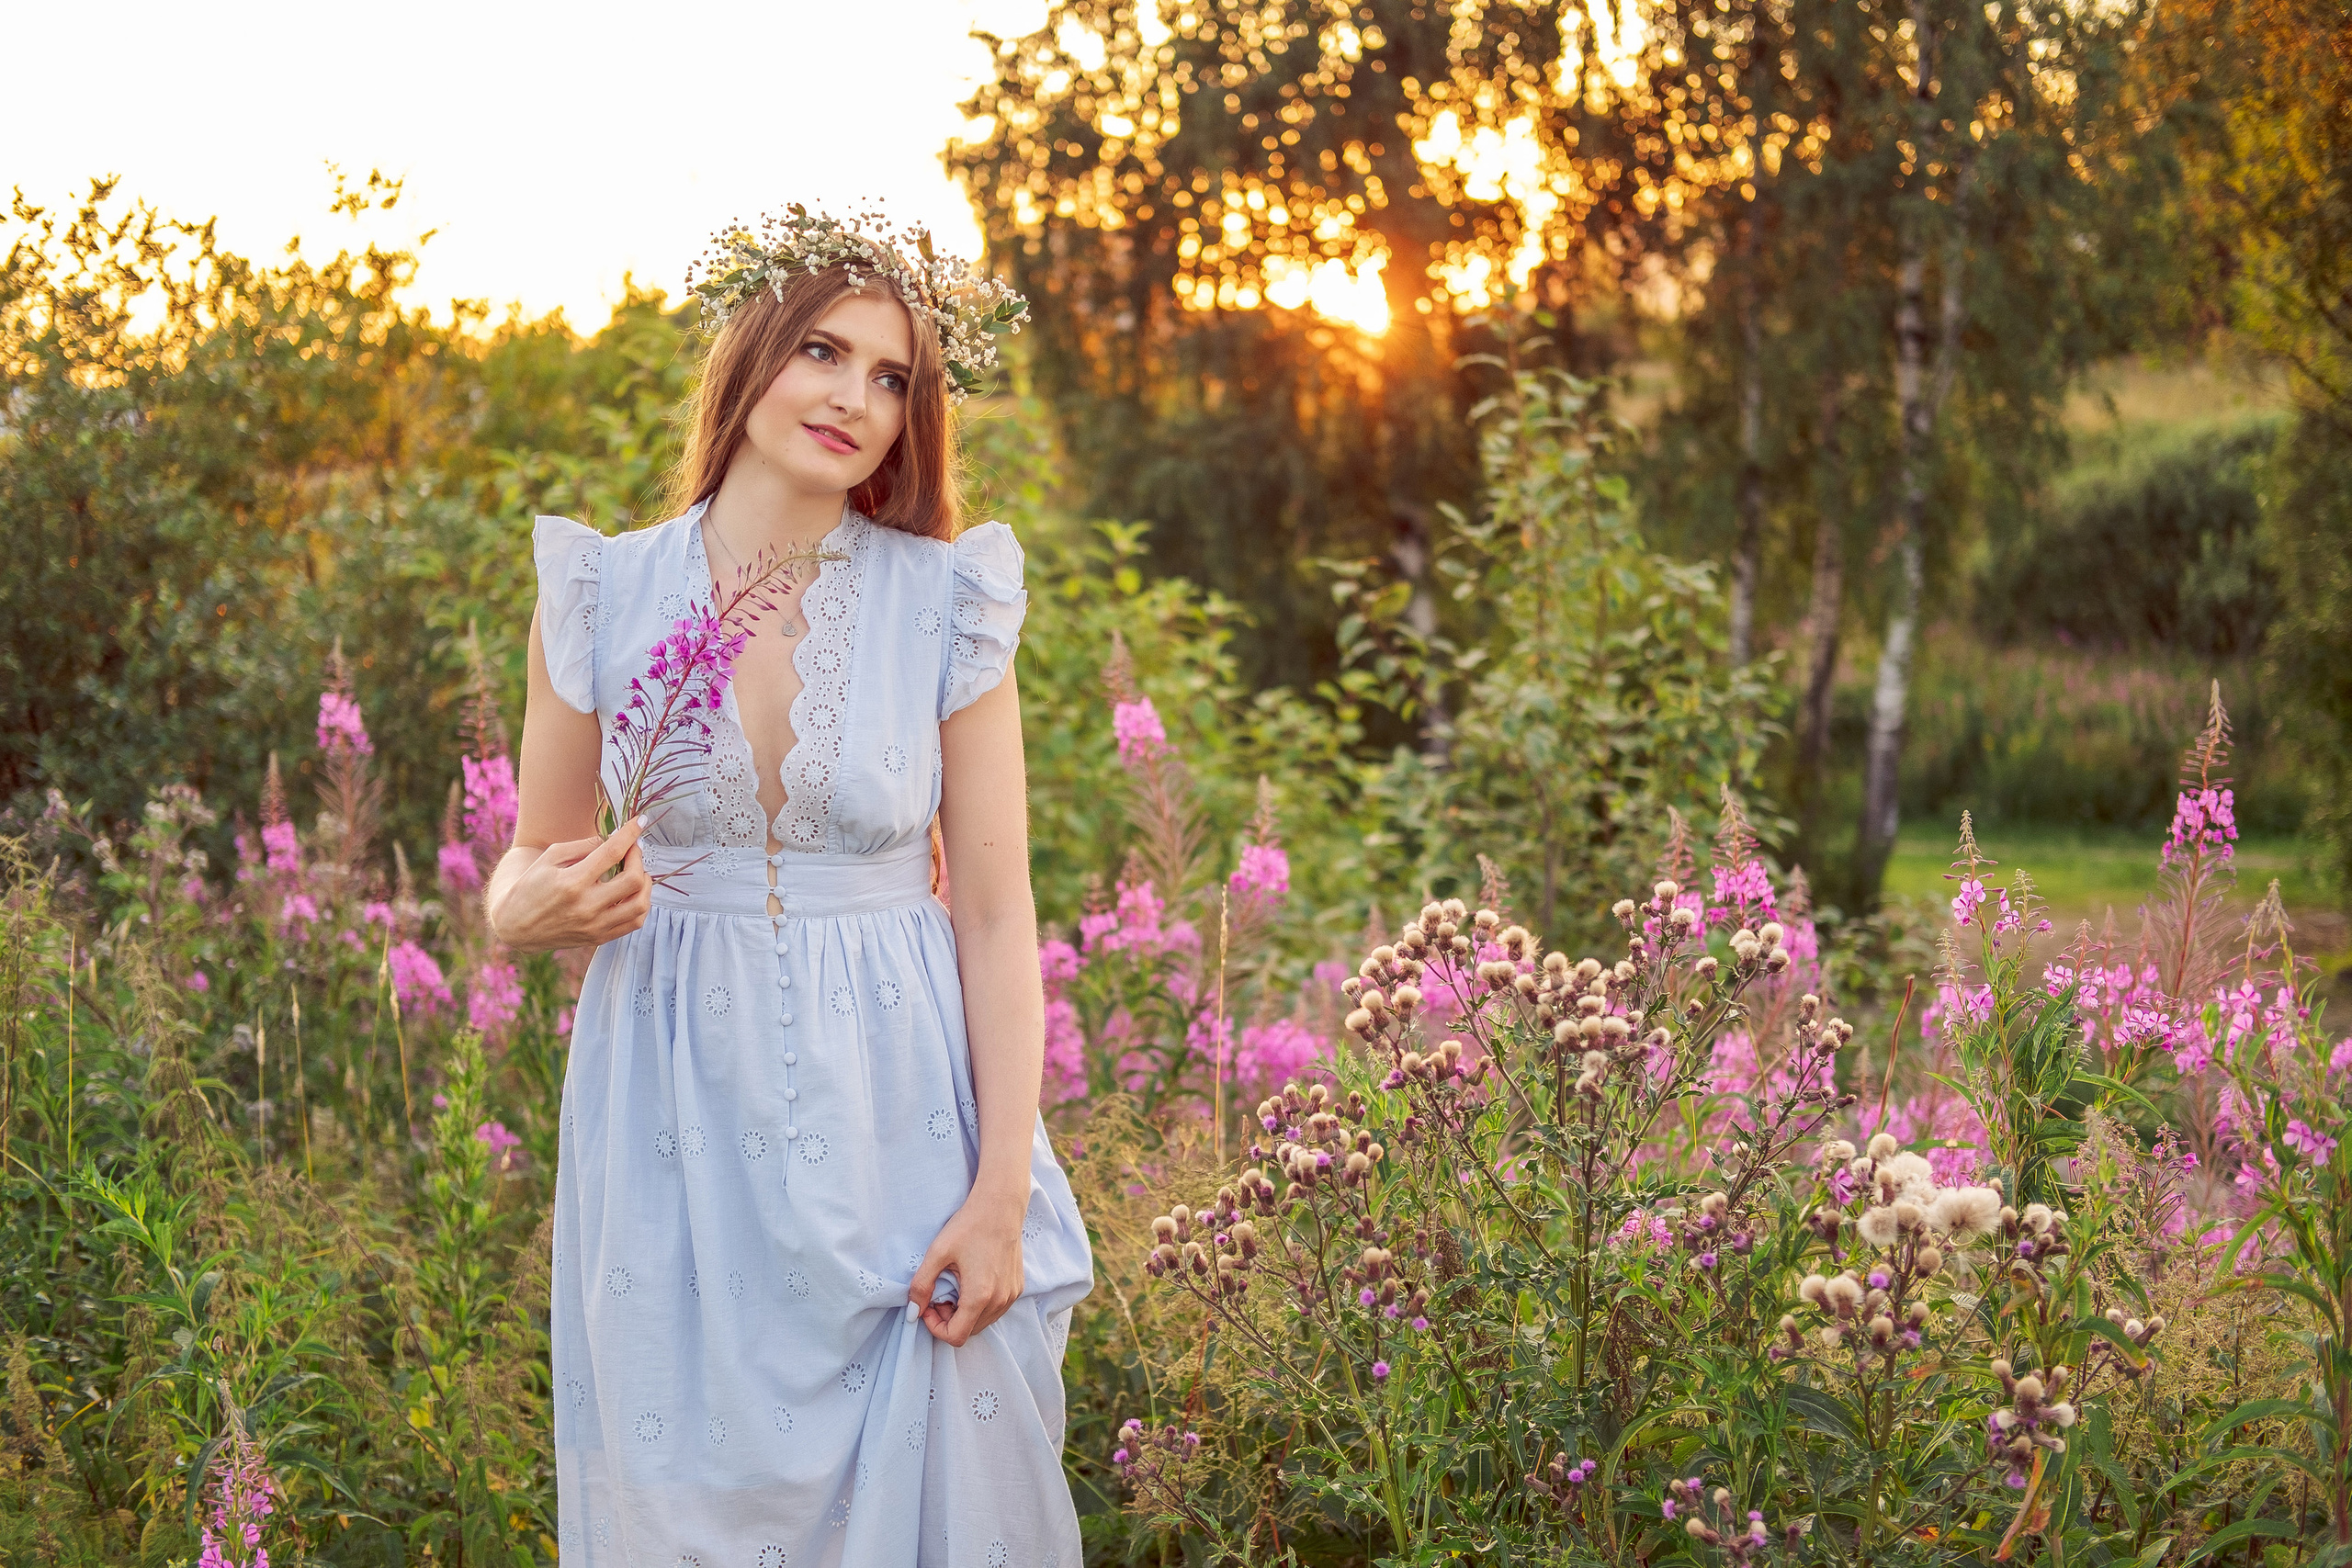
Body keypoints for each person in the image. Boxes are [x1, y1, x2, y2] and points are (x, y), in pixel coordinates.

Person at [485, 204, 1091, 1566]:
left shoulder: (948, 603)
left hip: (901, 1119)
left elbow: (999, 914)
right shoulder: (600, 592)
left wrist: (1000, 1194)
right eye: (824, 351)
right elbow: (537, 854)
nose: (855, 399)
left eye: (891, 378)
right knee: (679, 1514)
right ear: (752, 355)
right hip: (672, 1127)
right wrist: (513, 907)